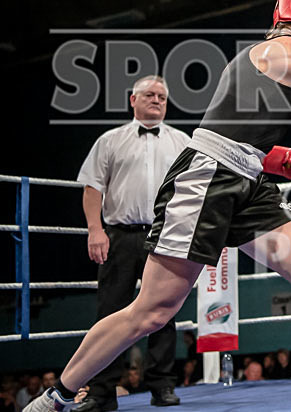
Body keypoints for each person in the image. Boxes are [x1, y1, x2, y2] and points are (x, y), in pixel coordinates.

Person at [25, 0, 291, 412]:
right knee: (152, 312)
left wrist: (287, 161)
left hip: (249, 180)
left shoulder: (266, 59)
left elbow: (241, 139)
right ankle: (57, 395)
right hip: (207, 180)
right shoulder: (290, 49)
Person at [76, 74, 189, 411]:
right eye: (150, 95)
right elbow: (92, 187)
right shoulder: (110, 140)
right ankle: (102, 391)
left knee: (164, 311)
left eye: (162, 97)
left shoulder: (182, 141)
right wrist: (95, 230)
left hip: (166, 234)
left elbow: (194, 190)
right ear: (133, 100)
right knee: (110, 312)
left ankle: (162, 385)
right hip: (120, 236)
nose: (157, 100)